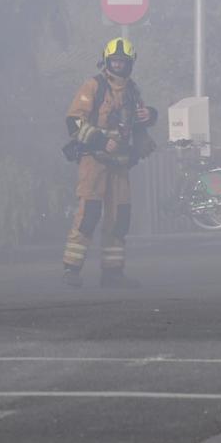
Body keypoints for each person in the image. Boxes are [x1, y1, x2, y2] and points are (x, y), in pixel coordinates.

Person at [61, 37, 158, 288]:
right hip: (94, 162)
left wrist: (150, 116)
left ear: (130, 63)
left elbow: (137, 124)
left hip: (120, 166)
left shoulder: (132, 91)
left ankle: (113, 272)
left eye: (122, 62)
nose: (118, 66)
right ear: (106, 61)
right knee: (89, 214)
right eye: (114, 61)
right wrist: (100, 141)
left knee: (119, 218)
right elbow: (74, 121)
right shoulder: (94, 86)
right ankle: (71, 269)